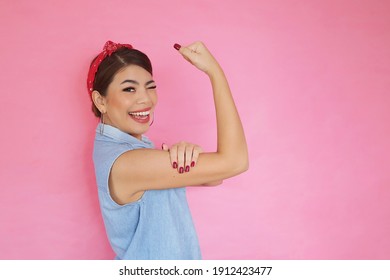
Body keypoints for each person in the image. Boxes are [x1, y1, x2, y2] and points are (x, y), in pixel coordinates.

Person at [88, 40, 248, 260]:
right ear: (100, 101)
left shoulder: (129, 148)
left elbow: (215, 178)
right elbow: (234, 162)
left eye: (151, 87)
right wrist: (215, 72)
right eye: (129, 89)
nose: (145, 99)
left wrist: (187, 155)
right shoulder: (126, 162)